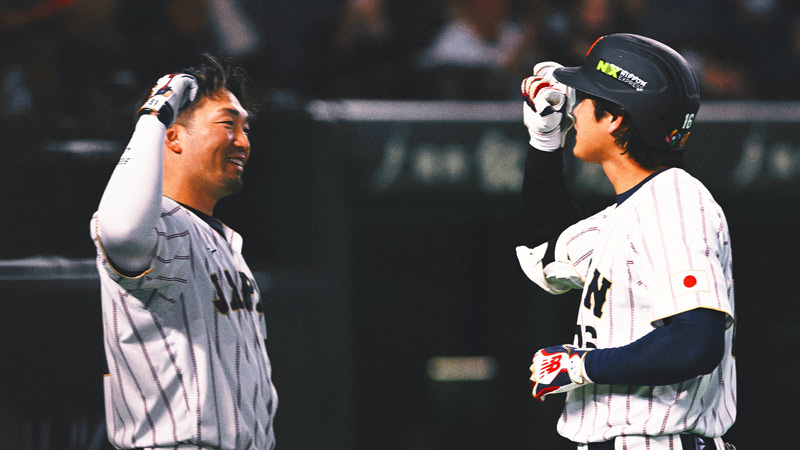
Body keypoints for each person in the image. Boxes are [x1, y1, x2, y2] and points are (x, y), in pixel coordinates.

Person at [516, 34, 736, 449]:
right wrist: (544, 142)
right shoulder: (628, 213)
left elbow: (695, 341)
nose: (574, 110)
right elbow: (543, 255)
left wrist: (582, 365)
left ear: (616, 118)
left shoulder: (675, 202)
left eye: (585, 98)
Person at [90, 54, 277, 450]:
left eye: (245, 128)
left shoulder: (227, 242)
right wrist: (156, 112)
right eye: (227, 124)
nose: (243, 142)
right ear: (173, 137)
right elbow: (122, 231)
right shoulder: (160, 223)